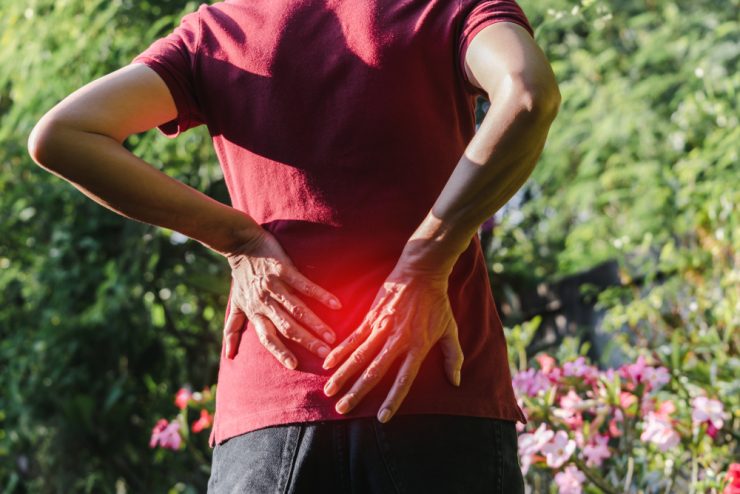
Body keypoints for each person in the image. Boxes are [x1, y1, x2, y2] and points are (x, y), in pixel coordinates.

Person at [27, 0, 560, 491]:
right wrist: (428, 259)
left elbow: (65, 134)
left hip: (269, 414)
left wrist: (238, 239)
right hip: (435, 399)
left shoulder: (220, 29)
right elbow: (528, 92)